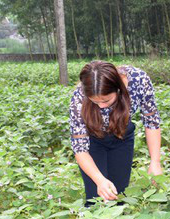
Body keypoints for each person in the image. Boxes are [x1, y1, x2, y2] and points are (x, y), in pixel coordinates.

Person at [69, 61, 163, 205]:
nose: (101, 106)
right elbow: (80, 148)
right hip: (92, 141)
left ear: (118, 89)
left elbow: (151, 121)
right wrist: (100, 180)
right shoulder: (79, 97)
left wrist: (155, 162)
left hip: (122, 137)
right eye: (95, 101)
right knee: (96, 197)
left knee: (119, 194)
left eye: (106, 100)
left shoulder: (139, 80)